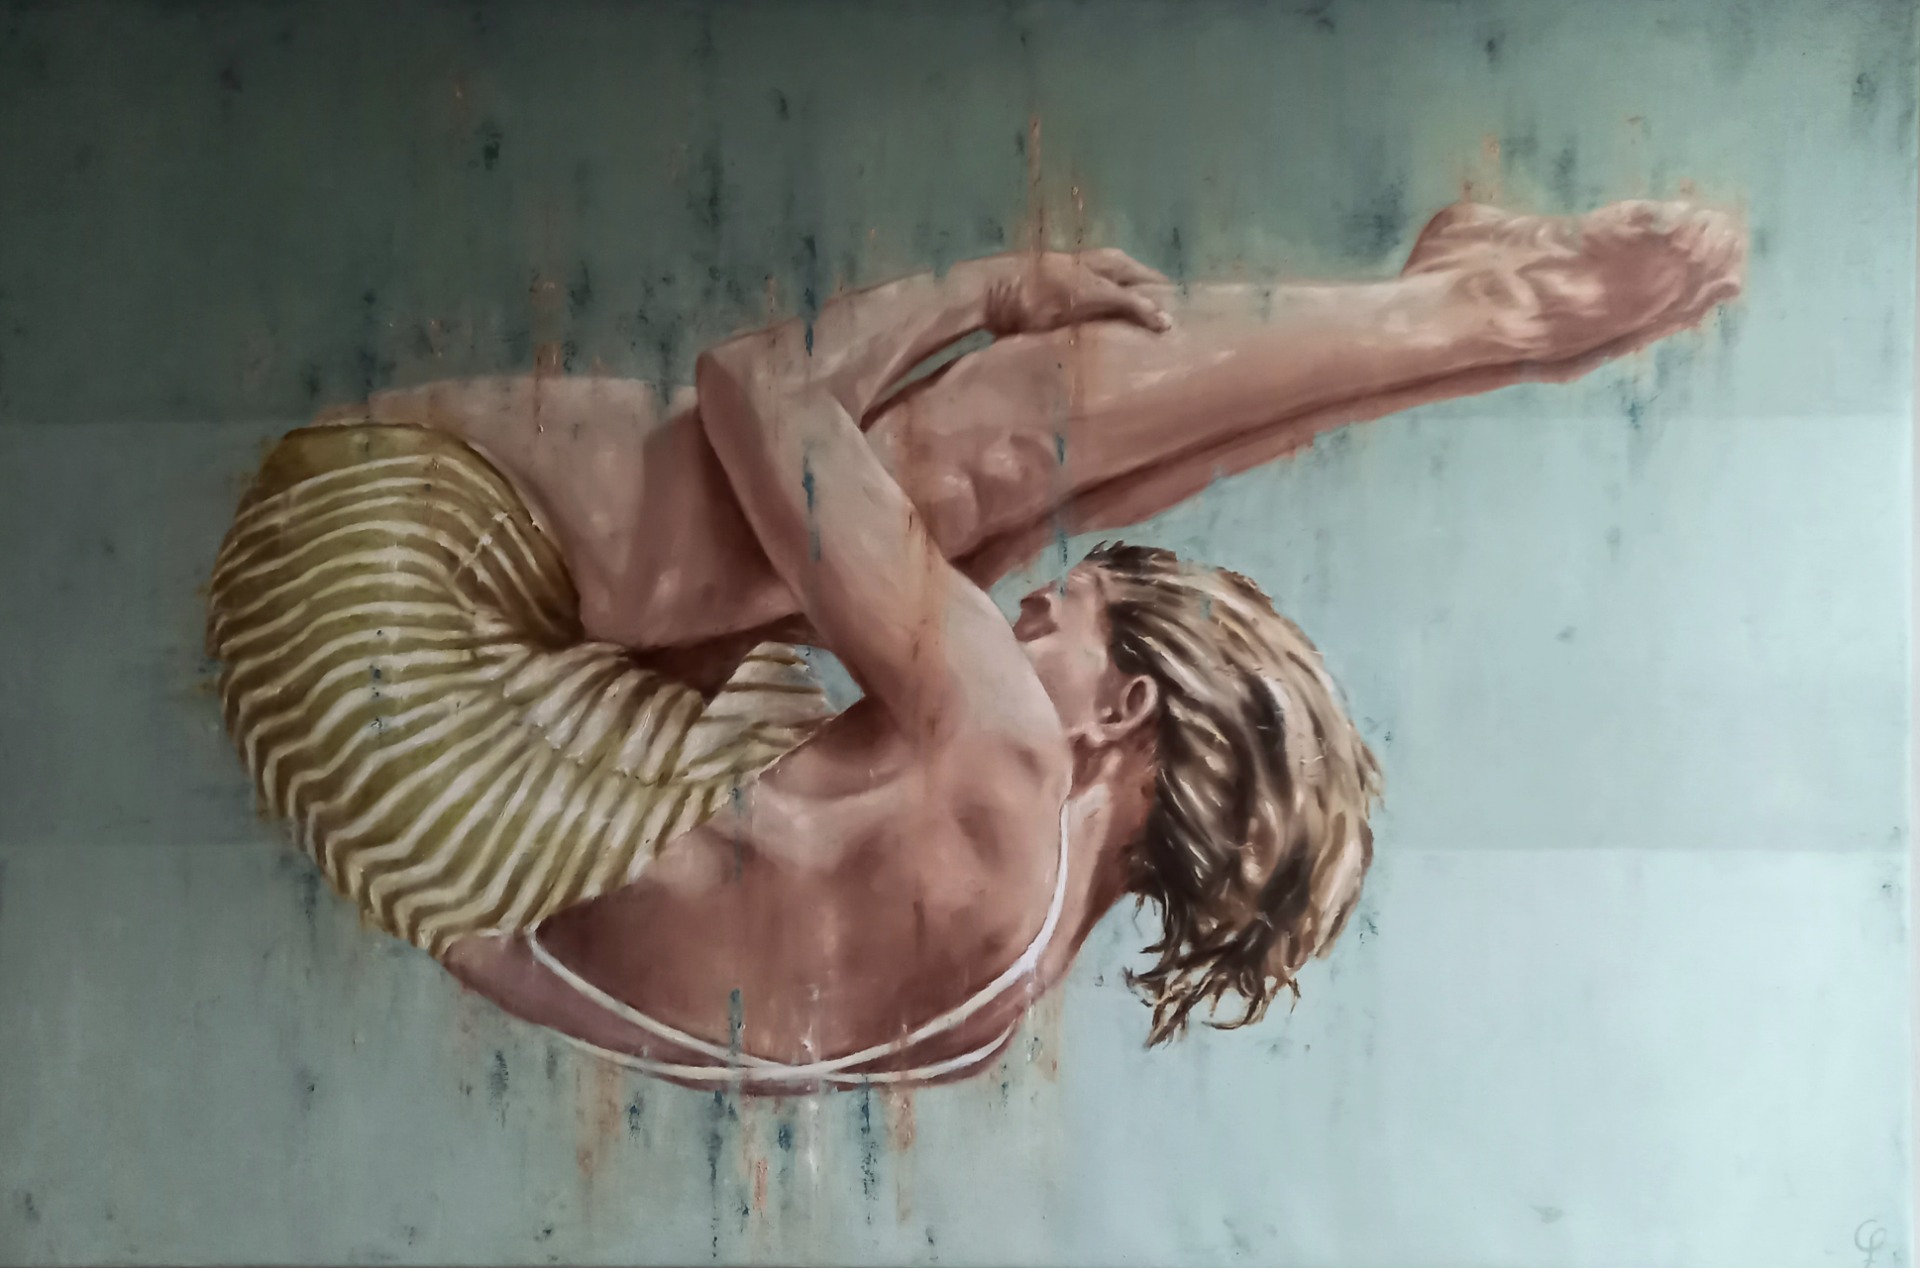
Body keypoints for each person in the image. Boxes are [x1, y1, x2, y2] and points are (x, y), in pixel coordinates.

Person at [206, 199, 1744, 1090]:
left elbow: (757, 389)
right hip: (440, 845)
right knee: (904, 526)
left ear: (1124, 709)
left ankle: (1494, 314)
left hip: (369, 635)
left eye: (1062, 617)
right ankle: (1444, 325)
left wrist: (984, 289)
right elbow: (961, 538)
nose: (1027, 610)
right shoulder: (988, 1006)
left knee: (939, 461)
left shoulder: (1007, 759)